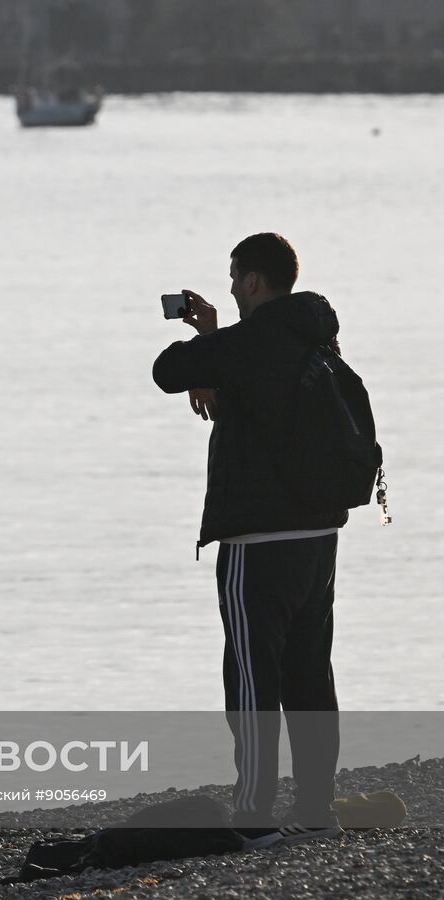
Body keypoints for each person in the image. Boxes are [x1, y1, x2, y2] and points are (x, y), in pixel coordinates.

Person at [151, 233, 345, 848]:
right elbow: (270, 400)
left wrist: (207, 346)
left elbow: (166, 371)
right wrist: (218, 349)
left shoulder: (247, 343)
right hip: (319, 536)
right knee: (311, 673)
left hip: (257, 540)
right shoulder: (316, 336)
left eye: (236, 278)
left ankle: (256, 815)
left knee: (251, 675)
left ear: (255, 281)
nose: (232, 288)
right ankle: (316, 812)